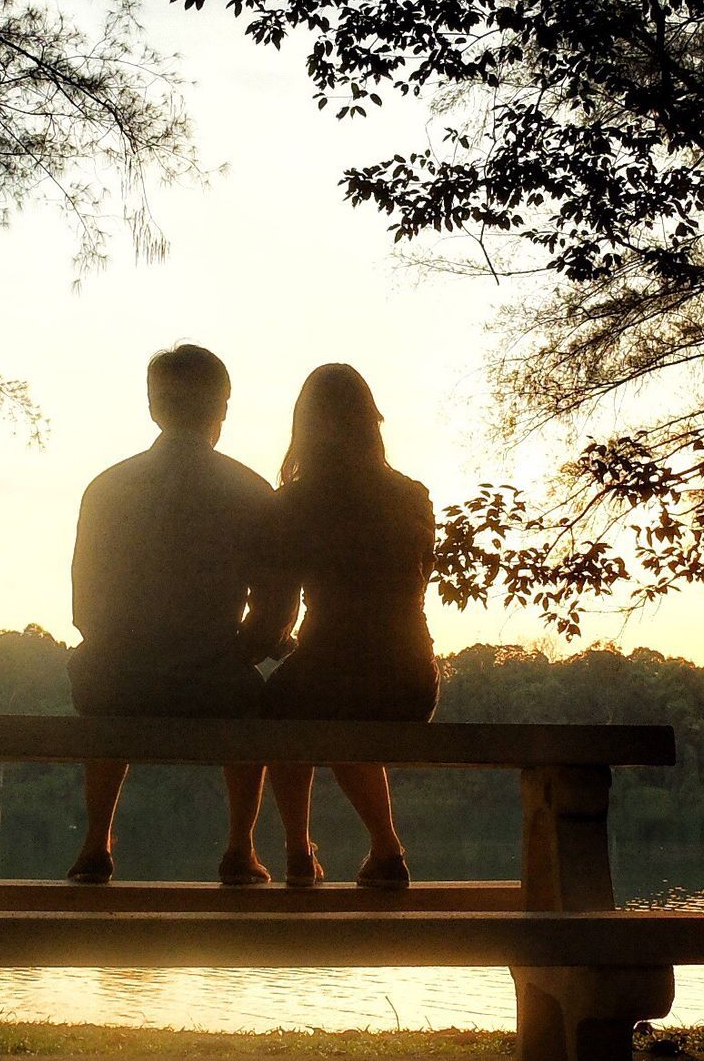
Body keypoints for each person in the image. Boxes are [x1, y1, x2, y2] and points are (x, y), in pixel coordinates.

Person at [65, 344, 294, 884]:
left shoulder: (107, 487)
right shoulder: (251, 490)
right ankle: (240, 849)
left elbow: (84, 600)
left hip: (119, 680)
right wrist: (240, 648)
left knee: (99, 678)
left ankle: (96, 846)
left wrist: (119, 640)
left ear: (152, 406)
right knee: (252, 701)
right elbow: (277, 606)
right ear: (223, 407)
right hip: (212, 677)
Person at [264, 363, 437, 889]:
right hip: (411, 676)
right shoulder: (412, 495)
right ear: (372, 422)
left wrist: (265, 644)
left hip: (331, 669)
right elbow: (415, 585)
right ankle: (385, 848)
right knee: (336, 699)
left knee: (281, 706)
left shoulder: (297, 502)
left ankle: (298, 850)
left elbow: (278, 612)